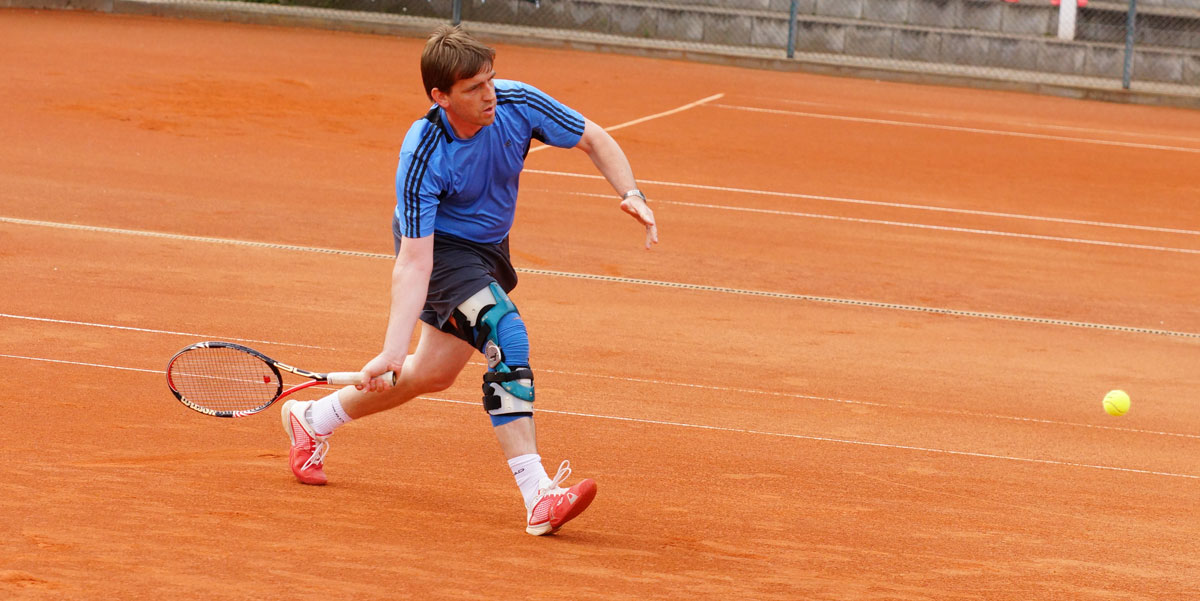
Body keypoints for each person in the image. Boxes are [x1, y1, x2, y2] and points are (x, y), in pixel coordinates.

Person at [279, 24, 657, 536]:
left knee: (431, 374)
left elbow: (593, 137)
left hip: (489, 249)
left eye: (491, 79)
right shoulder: (423, 153)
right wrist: (391, 351)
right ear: (441, 97)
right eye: (474, 88)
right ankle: (538, 493)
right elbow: (413, 262)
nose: (490, 94)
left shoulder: (517, 103)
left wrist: (630, 191)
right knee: (506, 333)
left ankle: (313, 420)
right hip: (441, 253)